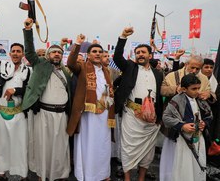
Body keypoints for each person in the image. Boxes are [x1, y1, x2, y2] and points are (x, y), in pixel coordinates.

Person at [22, 18, 72, 181]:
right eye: (53, 52)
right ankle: (41, 175)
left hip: (62, 115)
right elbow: (29, 52)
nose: (57, 54)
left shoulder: (65, 71)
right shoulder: (40, 64)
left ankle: (59, 174)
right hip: (43, 113)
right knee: (42, 146)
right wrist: (28, 30)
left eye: (59, 52)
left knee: (60, 147)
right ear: (48, 55)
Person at [113, 27, 164, 181]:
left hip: (151, 117)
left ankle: (141, 178)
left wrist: (159, 117)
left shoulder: (157, 73)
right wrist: (122, 37)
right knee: (129, 148)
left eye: (143, 52)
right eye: (138, 52)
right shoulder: (130, 67)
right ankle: (127, 178)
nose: (140, 54)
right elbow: (117, 57)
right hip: (132, 115)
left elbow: (160, 95)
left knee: (148, 151)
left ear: (150, 55)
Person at [0, 23, 31, 181]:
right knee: (2, 145)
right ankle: (1, 173)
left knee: (20, 145)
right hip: (3, 114)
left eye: (19, 51)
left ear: (23, 54)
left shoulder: (28, 71)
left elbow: (31, 91)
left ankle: (23, 174)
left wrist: (16, 91)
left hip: (19, 114)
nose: (16, 53)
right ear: (9, 53)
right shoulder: (3, 66)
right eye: (14, 51)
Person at [66, 34, 113, 181]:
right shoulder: (82, 67)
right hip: (87, 115)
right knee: (87, 145)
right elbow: (71, 62)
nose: (98, 54)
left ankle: (102, 174)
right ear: (88, 55)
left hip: (104, 113)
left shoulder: (106, 70)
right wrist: (77, 44)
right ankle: (86, 175)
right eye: (94, 52)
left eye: (100, 52)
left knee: (103, 145)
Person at [161, 73, 212, 181]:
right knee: (185, 165)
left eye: (198, 88)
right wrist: (182, 125)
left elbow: (209, 115)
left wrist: (204, 123)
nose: (197, 91)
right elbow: (166, 117)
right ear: (184, 89)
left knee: (199, 163)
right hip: (184, 140)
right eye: (194, 89)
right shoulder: (177, 99)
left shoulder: (200, 99)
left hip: (199, 139)